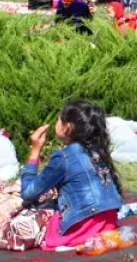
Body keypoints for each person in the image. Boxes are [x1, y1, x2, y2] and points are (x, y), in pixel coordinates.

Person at [21, 100, 123, 251]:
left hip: (84, 227)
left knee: (33, 213)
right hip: (109, 223)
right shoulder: (98, 150)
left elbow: (28, 193)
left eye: (59, 119)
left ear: (67, 128)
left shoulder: (63, 158)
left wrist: (35, 150)